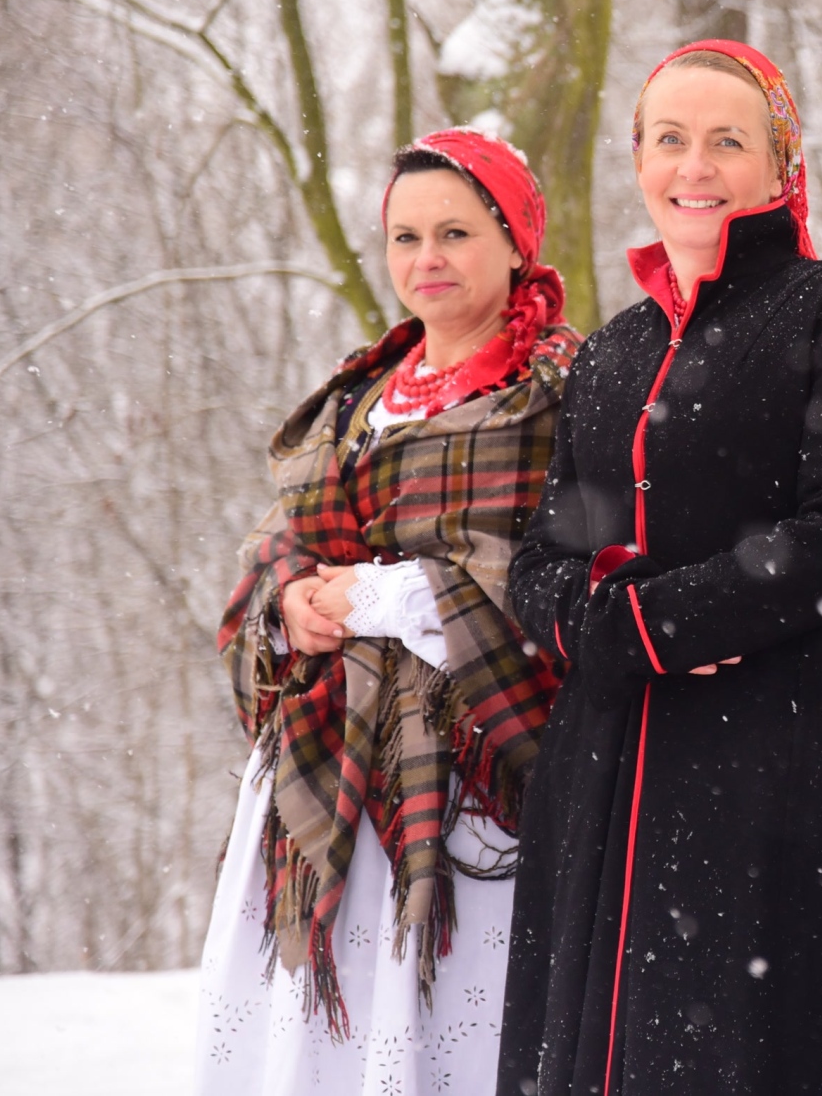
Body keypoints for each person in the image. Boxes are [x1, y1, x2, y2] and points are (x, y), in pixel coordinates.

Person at [497, 39, 822, 1096]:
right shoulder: (610, 354)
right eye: (669, 139)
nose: (694, 166)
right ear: (637, 159)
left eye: (726, 141)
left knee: (763, 1041)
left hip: (798, 749)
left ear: (779, 163)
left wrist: (660, 623)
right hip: (617, 766)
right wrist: (607, 628)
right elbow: (547, 556)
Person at [197, 130, 581, 1096]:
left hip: (471, 774)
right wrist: (291, 601)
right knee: (323, 1038)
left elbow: (555, 575)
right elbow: (274, 547)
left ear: (516, 242)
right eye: (405, 237)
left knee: (455, 1029)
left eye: (456, 232)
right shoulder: (355, 399)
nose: (427, 258)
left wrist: (382, 594)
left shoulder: (558, 392)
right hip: (328, 768)